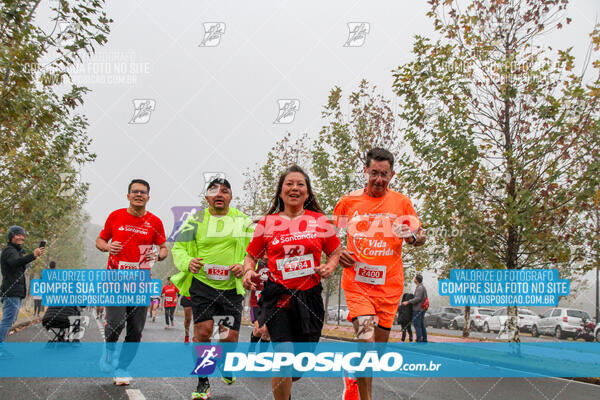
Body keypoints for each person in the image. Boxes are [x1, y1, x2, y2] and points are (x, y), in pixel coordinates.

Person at [333, 148, 426, 400]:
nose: (378, 180)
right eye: (374, 173)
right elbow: (330, 232)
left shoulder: (402, 202)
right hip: (357, 284)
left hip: (389, 287)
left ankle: (353, 376)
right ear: (365, 171)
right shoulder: (349, 201)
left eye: (384, 175)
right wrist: (338, 251)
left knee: (377, 353)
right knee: (366, 343)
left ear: (392, 175)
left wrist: (414, 237)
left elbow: (420, 235)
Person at [243, 165, 341, 400]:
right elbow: (251, 257)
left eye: (300, 184)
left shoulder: (320, 221)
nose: (294, 188)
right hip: (278, 297)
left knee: (297, 367)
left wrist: (329, 266)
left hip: (309, 298)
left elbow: (336, 251)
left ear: (307, 193)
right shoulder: (267, 223)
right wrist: (248, 272)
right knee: (284, 357)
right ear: (280, 191)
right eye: (289, 184)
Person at [171, 177, 254, 400]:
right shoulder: (193, 221)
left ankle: (226, 365)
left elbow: (253, 250)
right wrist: (188, 262)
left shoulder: (242, 221)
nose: (219, 194)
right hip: (203, 285)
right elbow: (178, 250)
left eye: (225, 191)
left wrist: (244, 265)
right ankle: (203, 382)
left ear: (230, 197)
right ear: (206, 196)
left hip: (230, 287)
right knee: (204, 332)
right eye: (214, 190)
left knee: (228, 338)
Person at [95, 179, 168, 386]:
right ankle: (109, 352)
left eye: (143, 192)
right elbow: (100, 240)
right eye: (135, 191)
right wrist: (108, 247)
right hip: (116, 279)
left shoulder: (154, 222)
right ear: (128, 195)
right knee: (116, 323)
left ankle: (122, 367)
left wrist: (158, 255)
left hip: (141, 282)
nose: (139, 195)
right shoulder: (116, 216)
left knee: (135, 329)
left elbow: (164, 248)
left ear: (148, 197)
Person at [0, 226, 44, 354]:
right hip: (11, 291)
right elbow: (15, 262)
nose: (21, 237)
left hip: (16, 291)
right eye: (17, 235)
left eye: (22, 235)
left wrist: (32, 257)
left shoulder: (16, 251)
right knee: (8, 320)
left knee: (11, 319)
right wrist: (32, 255)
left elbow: (19, 263)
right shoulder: (9, 250)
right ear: (11, 236)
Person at [248, 258, 270, 344]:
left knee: (266, 334)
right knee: (259, 329)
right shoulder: (254, 263)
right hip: (256, 303)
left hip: (271, 304)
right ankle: (251, 350)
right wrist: (248, 284)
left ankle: (262, 356)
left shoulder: (276, 264)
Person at [403, 274, 428, 342]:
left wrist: (408, 302)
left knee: (417, 325)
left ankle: (418, 340)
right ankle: (424, 339)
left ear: (417, 280)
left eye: (415, 278)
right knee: (421, 324)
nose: (414, 279)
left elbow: (418, 298)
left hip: (418, 309)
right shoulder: (422, 287)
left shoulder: (420, 288)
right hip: (421, 309)